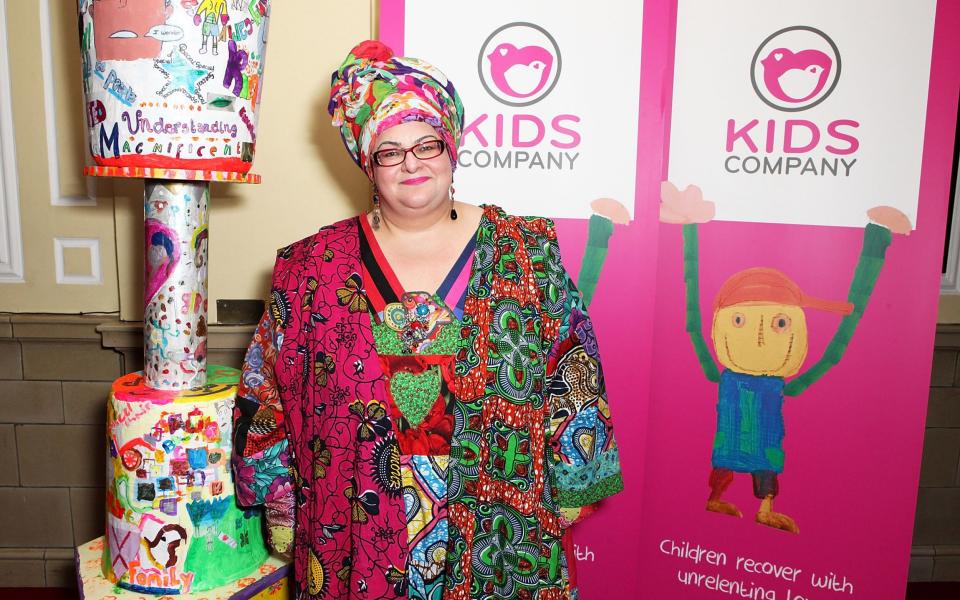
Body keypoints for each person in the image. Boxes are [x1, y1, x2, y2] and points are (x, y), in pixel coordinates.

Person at [232, 40, 623, 599]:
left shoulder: (525, 252)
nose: (412, 163)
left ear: (452, 147)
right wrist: (278, 499)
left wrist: (574, 481)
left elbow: (573, 366)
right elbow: (267, 387)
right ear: (368, 162)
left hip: (499, 535)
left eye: (426, 144)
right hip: (353, 539)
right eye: (389, 151)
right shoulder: (309, 268)